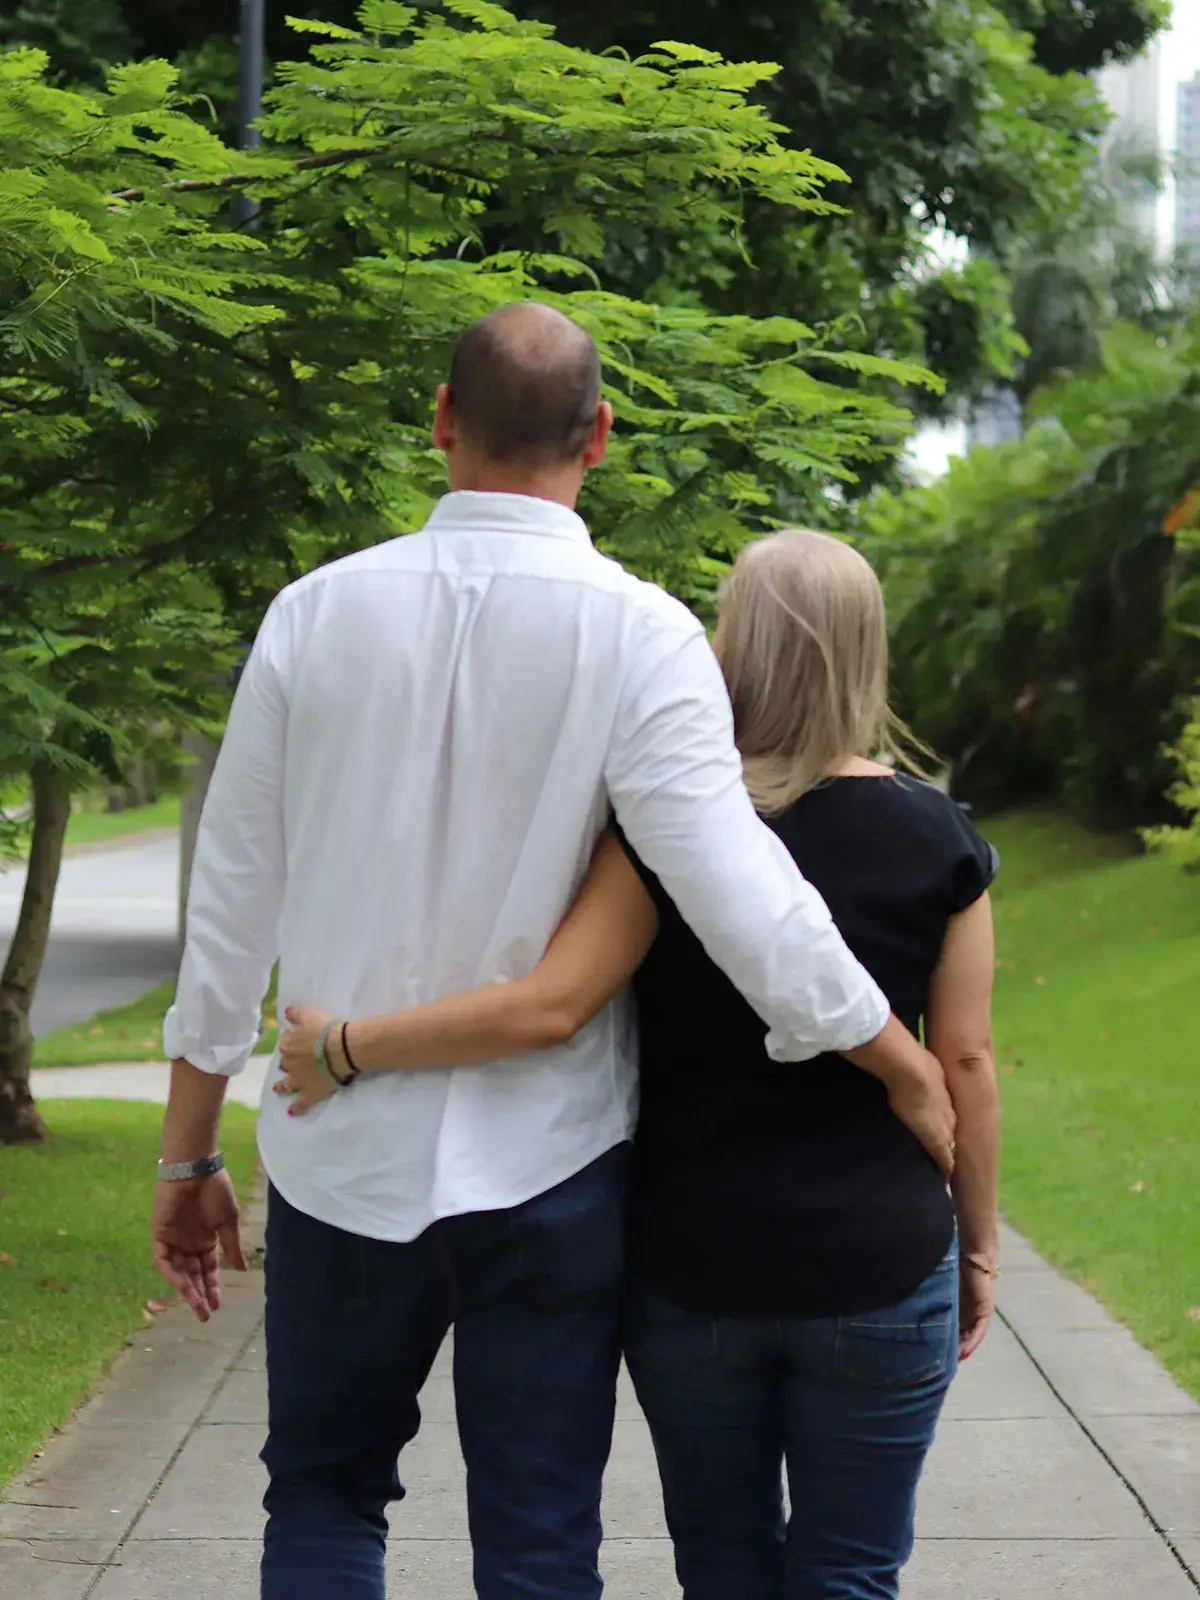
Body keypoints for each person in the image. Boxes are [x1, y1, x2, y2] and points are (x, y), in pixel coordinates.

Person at [153, 305, 955, 1600]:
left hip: (337, 1155)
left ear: (441, 421)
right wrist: (895, 1061)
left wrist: (188, 1152)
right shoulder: (643, 638)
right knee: (537, 1542)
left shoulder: (312, 616)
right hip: (551, 1171)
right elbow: (738, 886)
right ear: (602, 435)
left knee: (322, 1498)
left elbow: (233, 904)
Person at [279, 528, 1001, 1600]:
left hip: (692, 1270)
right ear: (867, 654)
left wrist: (346, 1046)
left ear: (735, 651)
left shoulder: (662, 833)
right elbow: (968, 1062)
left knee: (721, 1568)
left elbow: (553, 1002)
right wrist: (977, 1243)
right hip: (880, 1260)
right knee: (851, 1573)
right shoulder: (938, 839)